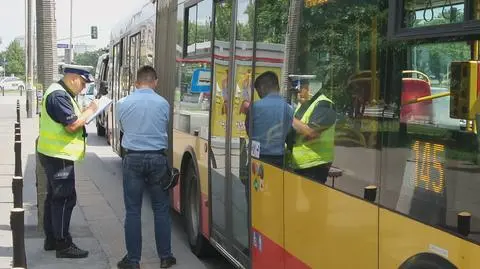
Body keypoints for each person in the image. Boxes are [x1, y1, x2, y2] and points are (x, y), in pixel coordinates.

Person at [116, 66, 176, 269]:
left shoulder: (122, 103)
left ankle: (133, 261)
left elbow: (124, 128)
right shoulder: (163, 103)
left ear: (136, 82)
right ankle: (165, 257)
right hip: (158, 159)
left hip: (132, 159)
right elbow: (164, 125)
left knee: (133, 210)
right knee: (161, 209)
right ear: (155, 82)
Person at [37, 65, 98, 258]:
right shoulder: (59, 96)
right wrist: (90, 111)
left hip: (54, 154)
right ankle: (63, 244)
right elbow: (72, 125)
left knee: (53, 197)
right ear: (73, 78)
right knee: (65, 198)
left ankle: (52, 240)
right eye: (83, 83)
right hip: (59, 155)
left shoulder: (61, 92)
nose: (83, 88)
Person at [288, 79, 336, 183]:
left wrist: (288, 117)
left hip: (315, 165)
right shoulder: (303, 106)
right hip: (301, 165)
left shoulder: (324, 104)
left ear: (308, 88)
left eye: (299, 90)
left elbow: (312, 132)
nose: (298, 94)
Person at [245, 71, 294, 167]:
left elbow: (249, 130)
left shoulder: (255, 106)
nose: (258, 94)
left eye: (257, 91)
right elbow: (288, 131)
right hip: (279, 158)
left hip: (258, 156)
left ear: (262, 88)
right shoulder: (289, 108)